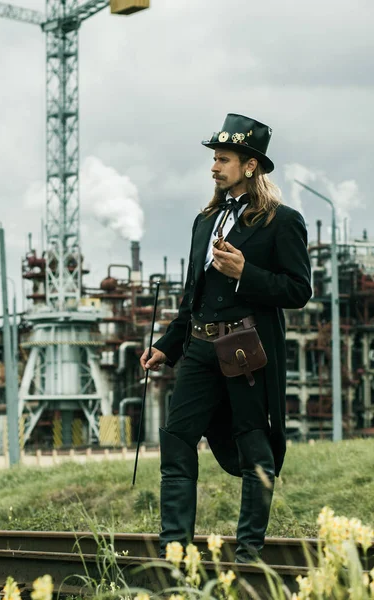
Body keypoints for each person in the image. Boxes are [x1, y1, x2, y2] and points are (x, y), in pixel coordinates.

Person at [140, 113, 312, 562]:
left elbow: (298, 290)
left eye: (223, 159)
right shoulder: (206, 221)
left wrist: (246, 273)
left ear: (250, 165)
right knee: (177, 437)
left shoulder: (282, 221)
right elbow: (192, 296)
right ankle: (175, 550)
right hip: (198, 348)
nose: (214, 167)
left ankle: (248, 552)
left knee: (255, 444)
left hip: (245, 347)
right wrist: (167, 345)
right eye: (214, 159)